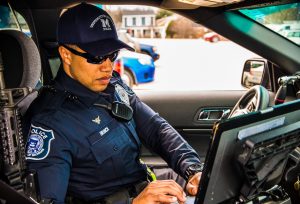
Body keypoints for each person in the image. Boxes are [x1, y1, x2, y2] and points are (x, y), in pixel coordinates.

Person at [24, 3, 202, 204]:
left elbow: (155, 128)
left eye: (112, 55)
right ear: (66, 55)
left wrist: (192, 170)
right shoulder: (50, 122)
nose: (108, 67)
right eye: (97, 57)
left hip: (145, 186)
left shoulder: (114, 85)